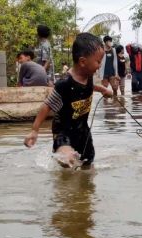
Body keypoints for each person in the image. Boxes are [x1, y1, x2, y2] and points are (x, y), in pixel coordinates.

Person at [24, 32, 113, 169]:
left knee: (87, 163)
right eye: (98, 61)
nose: (100, 65)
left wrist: (103, 90)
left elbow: (90, 86)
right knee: (67, 159)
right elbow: (47, 105)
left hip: (82, 130)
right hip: (63, 131)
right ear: (83, 61)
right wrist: (35, 130)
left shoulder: (88, 76)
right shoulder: (64, 83)